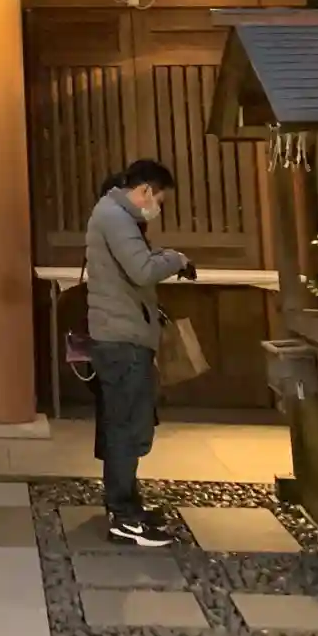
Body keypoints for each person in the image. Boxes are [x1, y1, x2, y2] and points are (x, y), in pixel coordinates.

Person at [85, 159, 197, 546]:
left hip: (120, 335)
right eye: (159, 200)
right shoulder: (116, 217)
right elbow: (142, 270)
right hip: (123, 339)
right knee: (125, 428)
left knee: (123, 424)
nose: (158, 208)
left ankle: (127, 505)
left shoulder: (113, 214)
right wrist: (176, 259)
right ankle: (124, 516)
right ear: (146, 190)